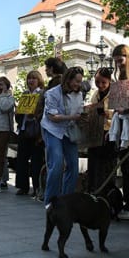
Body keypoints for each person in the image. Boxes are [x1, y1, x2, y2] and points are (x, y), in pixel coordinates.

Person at [41, 66, 85, 205]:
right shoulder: (52, 93)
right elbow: (53, 117)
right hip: (53, 129)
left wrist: (83, 117)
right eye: (76, 81)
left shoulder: (78, 94)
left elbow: (79, 111)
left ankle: (66, 201)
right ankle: (51, 201)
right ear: (68, 79)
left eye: (80, 82)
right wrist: (74, 117)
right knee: (57, 163)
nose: (78, 85)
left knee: (73, 165)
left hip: (68, 130)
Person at [108, 44, 129, 221]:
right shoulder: (118, 77)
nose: (118, 65)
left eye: (120, 61)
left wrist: (127, 110)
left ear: (128, 58)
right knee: (127, 169)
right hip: (122, 129)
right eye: (116, 62)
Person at [82, 66, 114, 194]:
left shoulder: (115, 93)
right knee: (94, 164)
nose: (100, 85)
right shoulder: (95, 94)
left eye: (103, 82)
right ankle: (93, 190)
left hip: (109, 132)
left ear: (109, 81)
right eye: (97, 82)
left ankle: (107, 192)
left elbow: (119, 112)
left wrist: (107, 113)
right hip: (95, 133)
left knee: (107, 165)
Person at [14, 70, 45, 197]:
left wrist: (36, 116)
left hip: (36, 132)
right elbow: (19, 115)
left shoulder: (42, 94)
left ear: (39, 80)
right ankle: (22, 186)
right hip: (23, 129)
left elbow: (44, 112)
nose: (31, 81)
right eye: (29, 78)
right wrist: (18, 113)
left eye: (34, 78)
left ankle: (37, 187)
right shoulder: (25, 94)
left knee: (36, 161)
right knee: (21, 160)